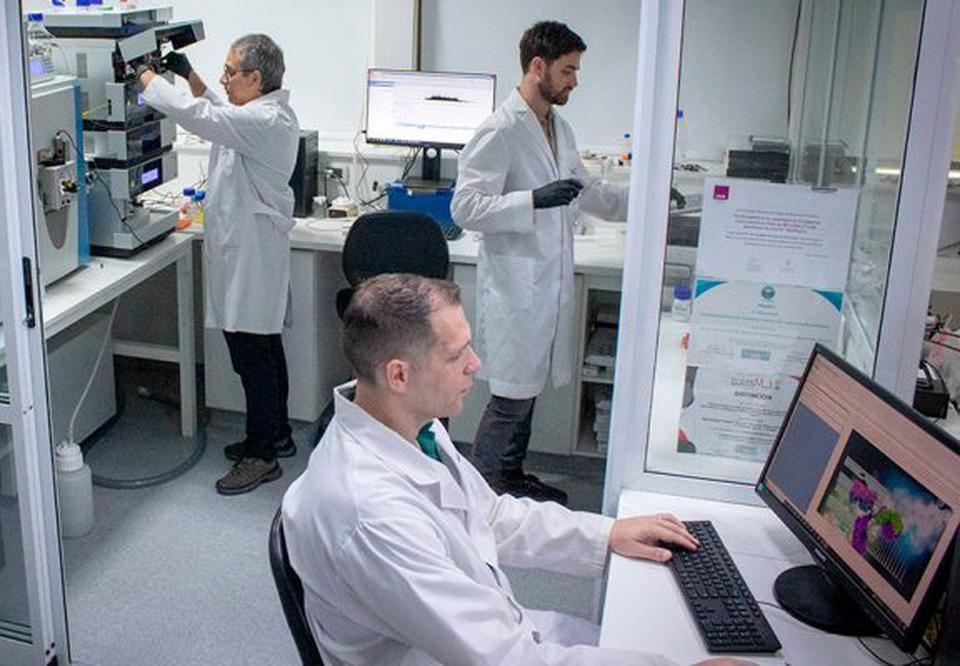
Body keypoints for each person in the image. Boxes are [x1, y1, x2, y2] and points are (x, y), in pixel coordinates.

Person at [282, 274, 748, 665]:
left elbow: (489, 516)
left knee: (644, 638)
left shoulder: (406, 422)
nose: (475, 364)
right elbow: (506, 659)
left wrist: (606, 534)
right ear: (399, 375)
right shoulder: (370, 514)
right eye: (456, 355)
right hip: (457, 656)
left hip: (489, 635)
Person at [451, 21, 631, 504]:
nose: (575, 81)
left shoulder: (559, 128)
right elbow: (464, 208)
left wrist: (647, 200)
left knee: (526, 395)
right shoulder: (499, 130)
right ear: (537, 66)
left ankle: (509, 478)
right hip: (516, 289)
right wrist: (531, 200)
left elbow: (587, 191)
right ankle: (479, 497)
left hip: (544, 286)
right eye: (567, 70)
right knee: (509, 400)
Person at [138, 35, 299, 495]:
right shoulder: (257, 114)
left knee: (254, 359)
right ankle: (276, 435)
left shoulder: (265, 119)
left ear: (256, 78)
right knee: (263, 350)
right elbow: (216, 109)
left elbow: (204, 117)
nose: (224, 78)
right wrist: (188, 74)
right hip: (248, 253)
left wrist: (144, 76)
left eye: (230, 71)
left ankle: (262, 456)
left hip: (251, 256)